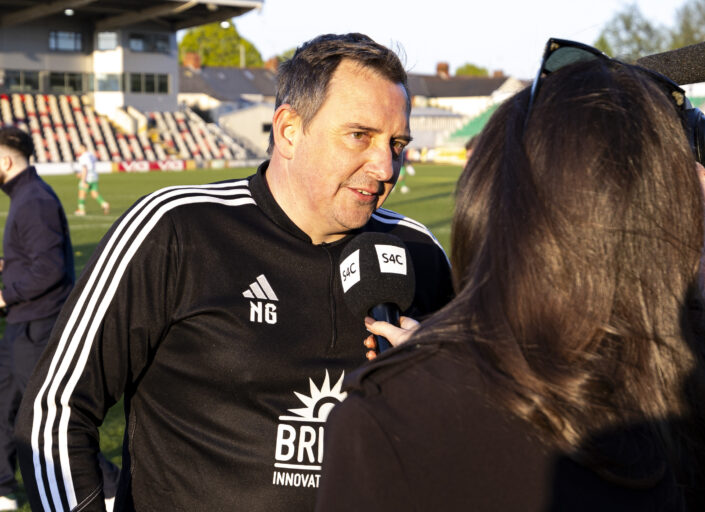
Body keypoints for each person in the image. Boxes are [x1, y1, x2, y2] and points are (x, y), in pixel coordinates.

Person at [317, 39, 705, 511]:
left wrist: (430, 383)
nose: (386, 165)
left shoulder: (386, 416)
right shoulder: (702, 392)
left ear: (483, 202)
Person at [15, 33, 452, 512]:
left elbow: (483, 433)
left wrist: (444, 386)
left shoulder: (419, 254)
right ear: (288, 130)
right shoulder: (177, 230)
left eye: (397, 143)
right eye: (359, 136)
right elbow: (53, 413)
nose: (386, 165)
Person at [0, 127, 75, 511]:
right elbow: (31, 260)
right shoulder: (24, 196)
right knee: (4, 405)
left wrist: (4, 292)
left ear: (6, 160)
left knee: (46, 420)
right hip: (21, 323)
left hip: (37, 324)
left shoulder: (33, 200)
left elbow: (49, 269)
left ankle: (108, 488)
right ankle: (4, 489)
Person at [74, 145, 109, 215]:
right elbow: (91, 165)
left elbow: (85, 168)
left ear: (83, 148)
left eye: (80, 148)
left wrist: (83, 179)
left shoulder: (83, 157)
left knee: (82, 192)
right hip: (94, 175)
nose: (79, 150)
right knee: (94, 193)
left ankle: (81, 210)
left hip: (87, 177)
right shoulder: (91, 155)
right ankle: (104, 204)